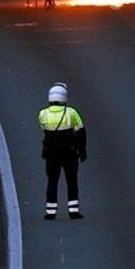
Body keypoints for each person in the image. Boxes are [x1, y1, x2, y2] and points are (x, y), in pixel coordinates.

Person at [39, 82, 87, 220]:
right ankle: (73, 210)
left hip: (51, 153)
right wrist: (82, 150)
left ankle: (50, 211)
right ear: (64, 98)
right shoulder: (71, 113)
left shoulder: (43, 114)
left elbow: (43, 128)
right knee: (71, 180)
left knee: (52, 180)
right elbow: (81, 131)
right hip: (69, 153)